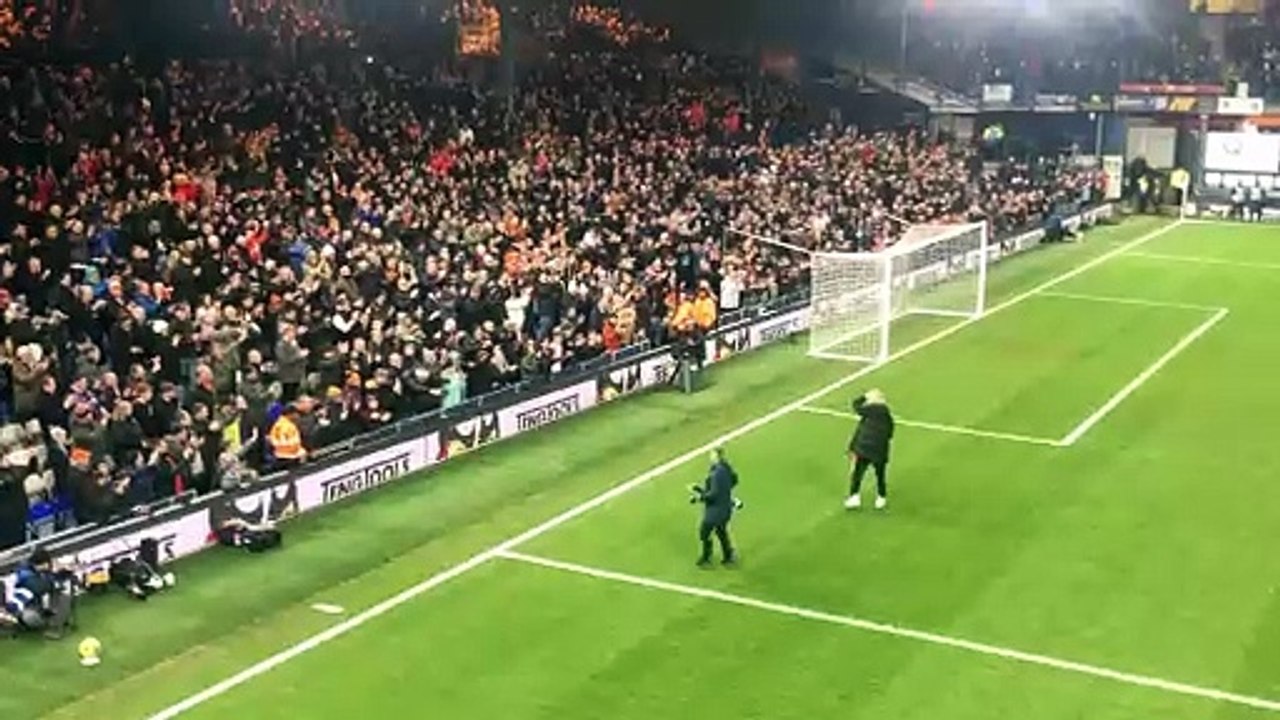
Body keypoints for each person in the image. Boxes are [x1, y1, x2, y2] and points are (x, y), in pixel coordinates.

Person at [845, 389, 895, 510]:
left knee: (858, 473)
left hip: (865, 448)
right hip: (880, 450)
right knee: (880, 474)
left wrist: (864, 396)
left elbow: (855, 405)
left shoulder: (870, 411)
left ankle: (854, 497)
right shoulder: (887, 416)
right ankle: (881, 497)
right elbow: (890, 433)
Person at [690, 447, 739, 566]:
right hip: (725, 508)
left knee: (704, 532)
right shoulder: (726, 468)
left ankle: (706, 558)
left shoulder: (717, 473)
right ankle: (729, 555)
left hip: (716, 511)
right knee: (721, 531)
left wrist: (699, 497)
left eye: (712, 455)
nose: (710, 457)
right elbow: (734, 480)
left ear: (717, 456)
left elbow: (713, 495)